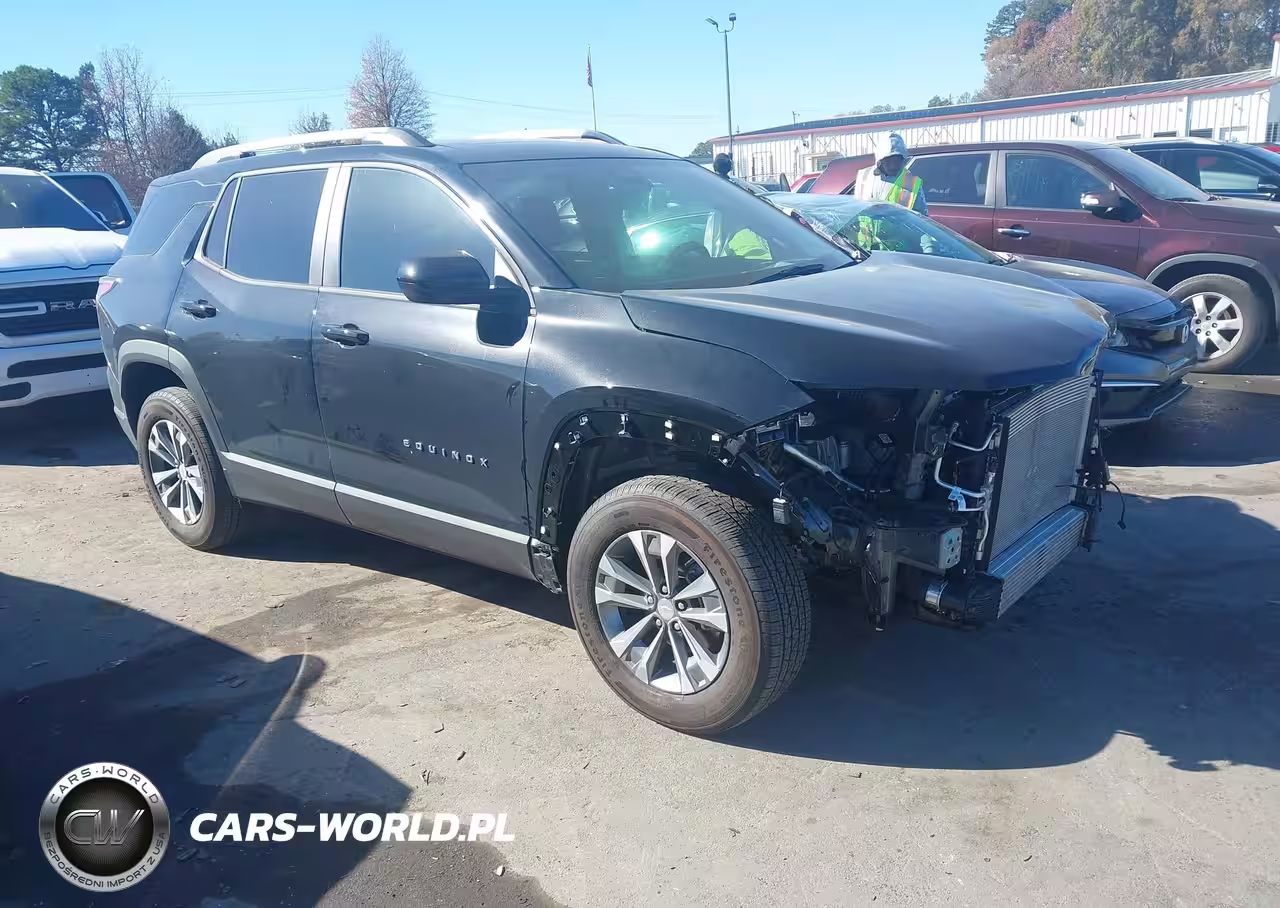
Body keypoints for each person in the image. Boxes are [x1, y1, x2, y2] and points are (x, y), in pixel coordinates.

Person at [707, 151, 771, 260]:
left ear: (715, 167)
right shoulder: (735, 186)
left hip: (721, 221)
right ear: (730, 167)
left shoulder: (711, 185)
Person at [852, 133, 927, 215]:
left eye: (897, 161)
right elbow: (855, 209)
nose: (893, 166)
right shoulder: (864, 176)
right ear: (880, 160)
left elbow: (922, 217)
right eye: (889, 161)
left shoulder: (911, 184)